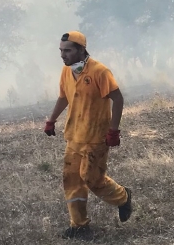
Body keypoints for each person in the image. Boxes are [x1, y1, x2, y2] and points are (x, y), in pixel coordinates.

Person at [44, 31, 132, 240]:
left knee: (92, 179)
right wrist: (51, 120)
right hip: (74, 135)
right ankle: (79, 226)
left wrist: (114, 130)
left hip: (96, 137)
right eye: (61, 51)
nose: (63, 55)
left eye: (68, 51)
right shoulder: (66, 72)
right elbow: (63, 97)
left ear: (82, 50)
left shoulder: (99, 71)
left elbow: (117, 99)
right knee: (71, 180)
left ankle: (123, 197)